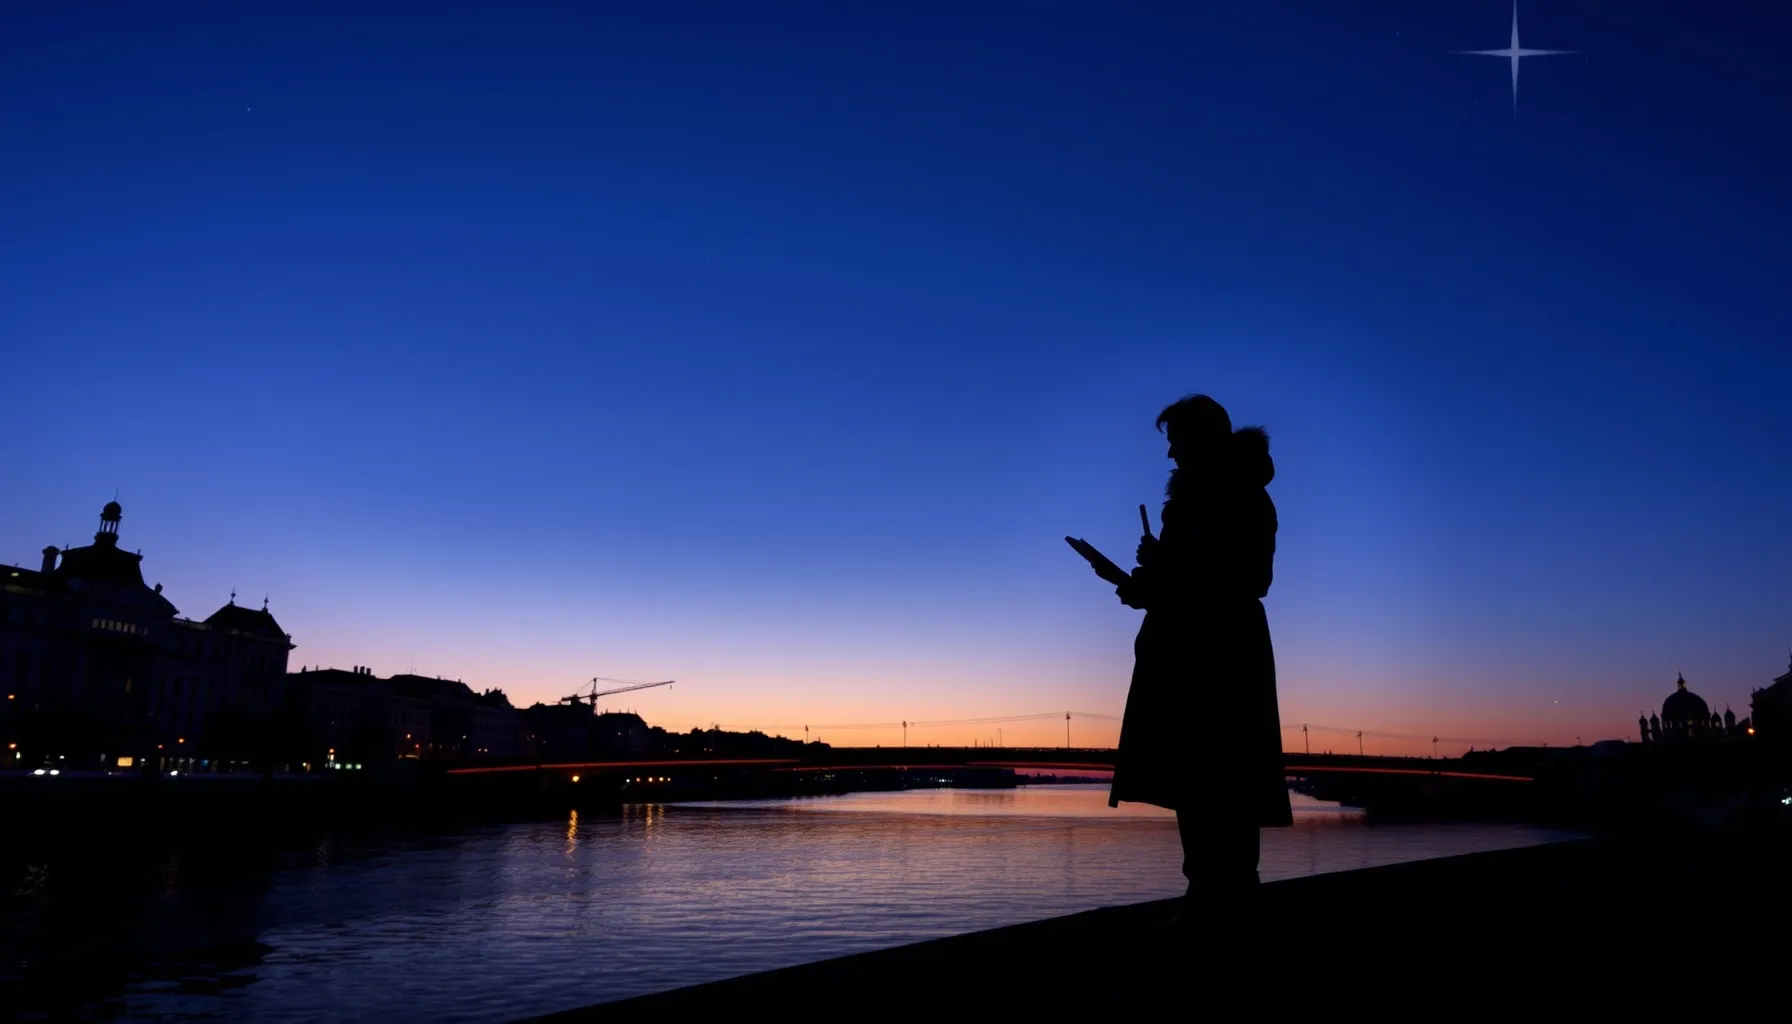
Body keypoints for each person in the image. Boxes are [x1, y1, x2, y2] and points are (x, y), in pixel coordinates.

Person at [1107, 394, 1292, 931]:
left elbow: (1235, 576)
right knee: (1218, 776)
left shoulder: (1219, 496)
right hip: (1218, 645)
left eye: (1176, 441)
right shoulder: (1238, 493)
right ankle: (1222, 899)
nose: (1170, 453)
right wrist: (1155, 576)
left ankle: (1216, 906)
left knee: (1206, 774)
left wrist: (1159, 572)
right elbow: (1221, 576)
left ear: (1199, 439)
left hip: (1206, 651)